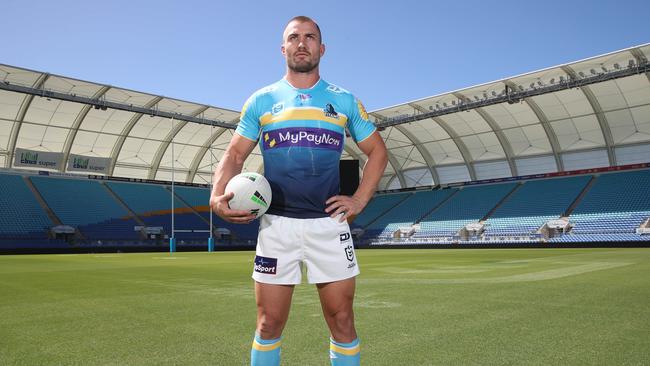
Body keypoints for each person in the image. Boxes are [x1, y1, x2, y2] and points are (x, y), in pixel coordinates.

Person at [210, 15, 388, 366]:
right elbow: (234, 153)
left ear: (321, 48)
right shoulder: (262, 101)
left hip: (329, 225)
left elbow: (378, 152)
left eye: (309, 37)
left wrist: (359, 198)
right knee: (268, 323)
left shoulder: (344, 100)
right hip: (277, 227)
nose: (301, 43)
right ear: (283, 48)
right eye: (294, 37)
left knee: (342, 322)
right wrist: (216, 195)